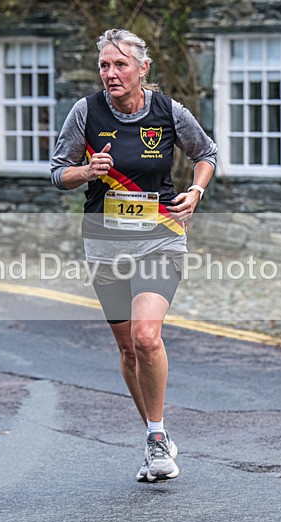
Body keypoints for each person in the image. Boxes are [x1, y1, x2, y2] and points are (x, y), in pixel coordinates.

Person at [50, 28, 217, 482]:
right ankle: (153, 433)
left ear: (142, 68)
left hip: (160, 237)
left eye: (120, 64)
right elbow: (58, 173)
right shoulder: (86, 112)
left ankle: (157, 438)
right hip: (104, 244)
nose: (111, 73)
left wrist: (196, 191)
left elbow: (206, 153)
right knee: (127, 349)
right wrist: (87, 170)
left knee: (146, 336)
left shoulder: (168, 112)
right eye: (104, 65)